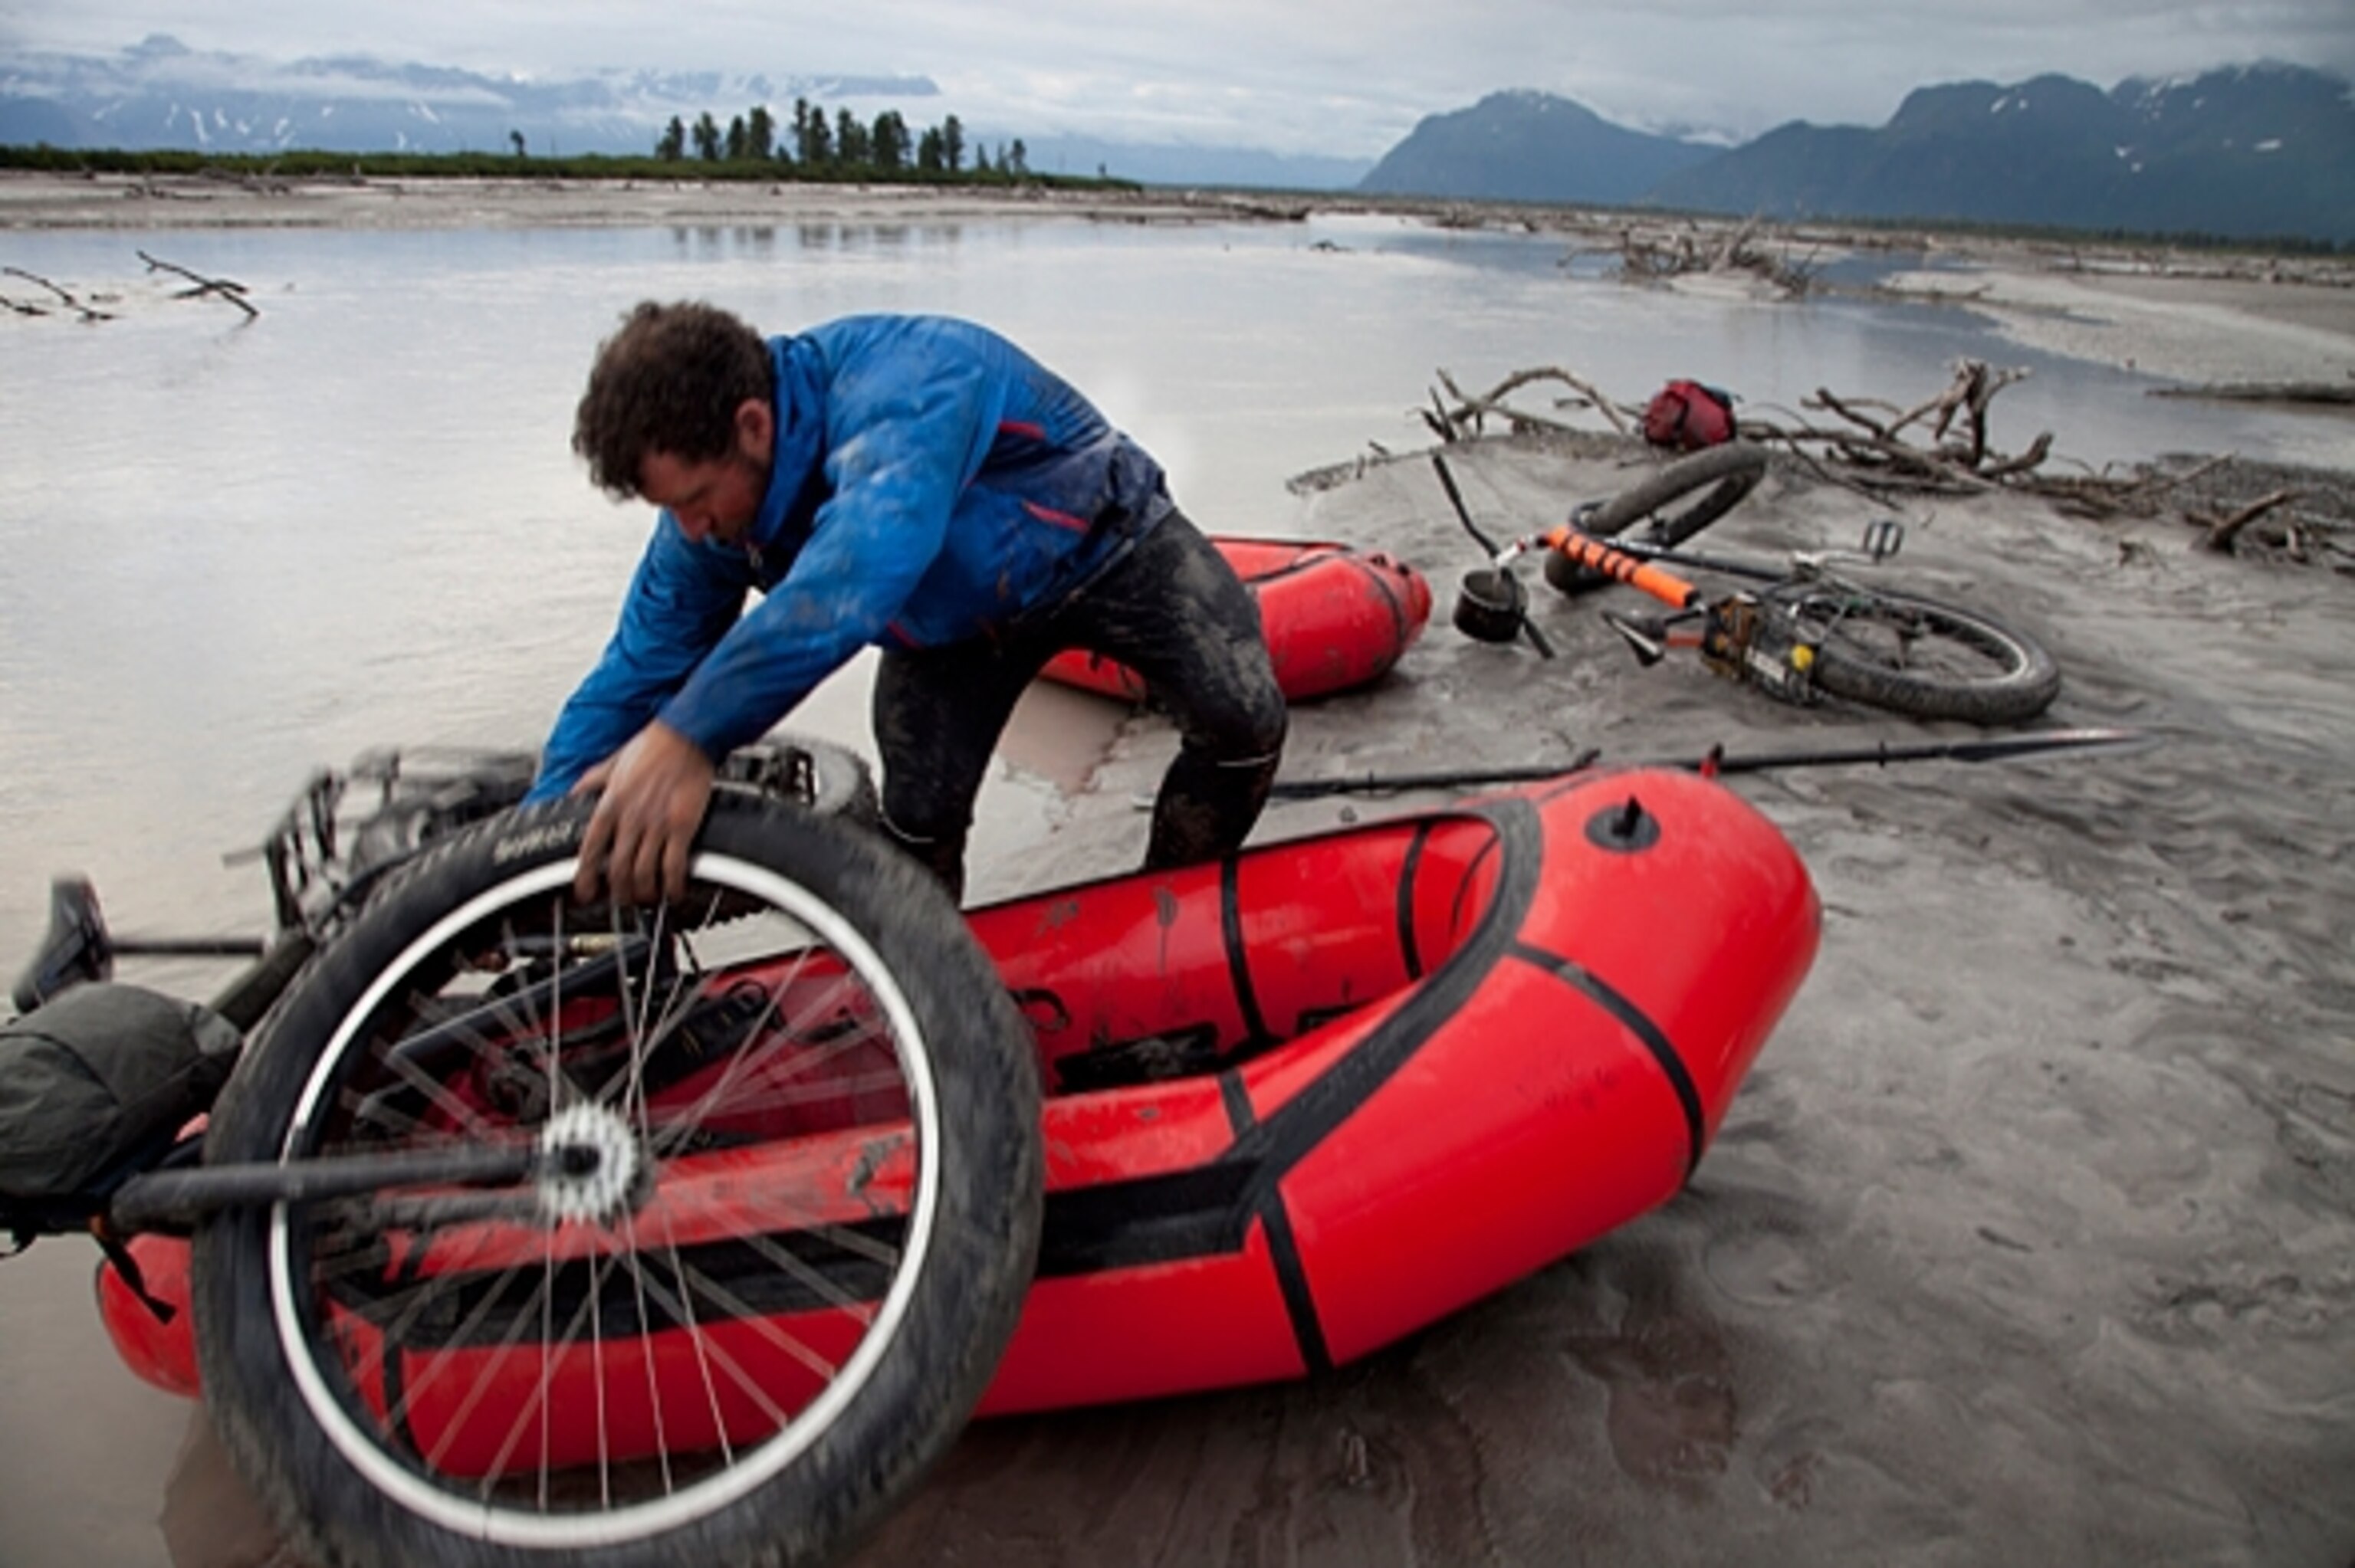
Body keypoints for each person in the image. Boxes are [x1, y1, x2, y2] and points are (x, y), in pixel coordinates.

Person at [525, 301, 1288, 906]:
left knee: (1244, 716)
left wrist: (687, 738)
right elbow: (636, 671)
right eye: (671, 510)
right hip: (951, 633)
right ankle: (929, 1003)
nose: (690, 529)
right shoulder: (703, 525)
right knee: (918, 835)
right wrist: (523, 844)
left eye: (694, 500)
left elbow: (855, 573)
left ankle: (1169, 907)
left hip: (1109, 544)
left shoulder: (910, 381)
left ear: (751, 426)